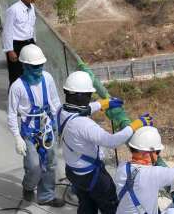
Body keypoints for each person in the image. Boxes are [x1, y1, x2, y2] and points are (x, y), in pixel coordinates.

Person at [57, 71, 154, 214]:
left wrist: (103, 104)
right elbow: (112, 141)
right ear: (79, 96)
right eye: (88, 95)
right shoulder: (84, 125)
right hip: (91, 175)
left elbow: (83, 110)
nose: (90, 97)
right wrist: (134, 125)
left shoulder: (61, 111)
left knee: (86, 205)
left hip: (73, 171)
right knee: (110, 205)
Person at [7, 44, 64, 207]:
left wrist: (59, 124)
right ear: (25, 66)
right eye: (34, 66)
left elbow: (55, 102)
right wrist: (17, 137)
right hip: (29, 132)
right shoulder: (17, 87)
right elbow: (11, 114)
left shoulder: (47, 78)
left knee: (50, 164)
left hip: (47, 128)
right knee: (33, 166)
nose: (38, 69)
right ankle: (28, 186)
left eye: (40, 65)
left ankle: (46, 196)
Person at [3, 0, 40, 85]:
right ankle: (14, 100)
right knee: (16, 76)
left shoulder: (32, 8)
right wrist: (10, 50)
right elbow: (7, 31)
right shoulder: (13, 10)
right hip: (17, 46)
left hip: (29, 43)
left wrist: (34, 43)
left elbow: (32, 27)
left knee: (30, 73)